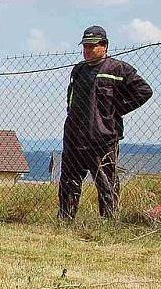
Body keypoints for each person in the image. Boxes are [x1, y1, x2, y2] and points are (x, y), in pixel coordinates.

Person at [59, 26, 153, 220]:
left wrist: (114, 111)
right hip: (75, 136)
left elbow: (144, 91)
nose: (87, 50)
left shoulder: (118, 69)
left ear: (104, 46)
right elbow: (71, 98)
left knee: (106, 183)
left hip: (103, 137)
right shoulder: (78, 70)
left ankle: (108, 223)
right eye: (85, 46)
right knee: (69, 181)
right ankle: (65, 220)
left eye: (92, 46)